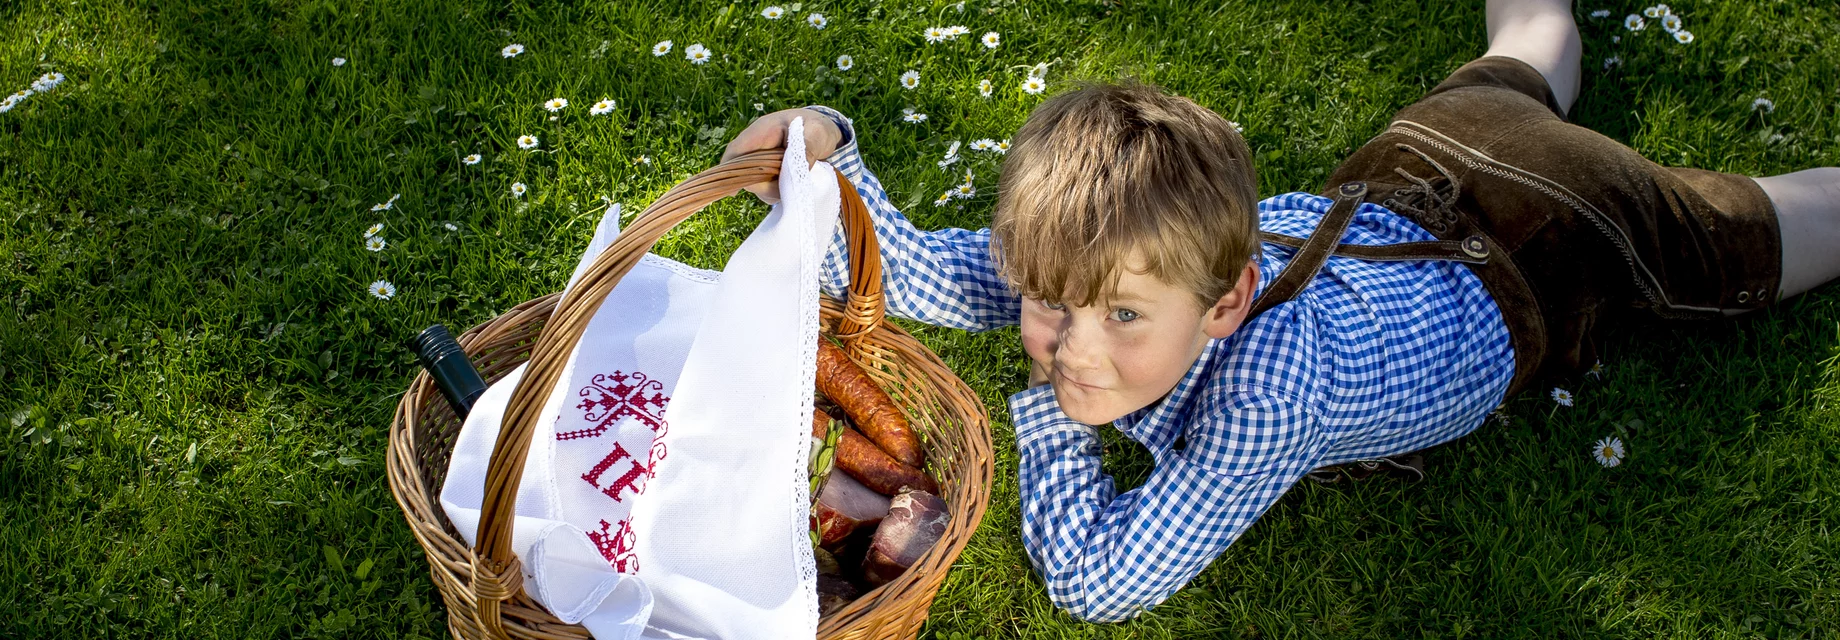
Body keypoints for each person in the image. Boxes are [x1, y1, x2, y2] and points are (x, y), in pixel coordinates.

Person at [721, 0, 1840, 622]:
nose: (1070, 344)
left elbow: (1097, 581)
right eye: (1045, 302)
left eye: (1118, 321)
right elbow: (907, 270)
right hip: (1413, 173)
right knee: (1522, 54)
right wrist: (826, 150)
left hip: (1544, 243)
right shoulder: (1116, 269)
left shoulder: (1267, 395)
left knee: (1755, 235)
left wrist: (1048, 411)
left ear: (1226, 303)